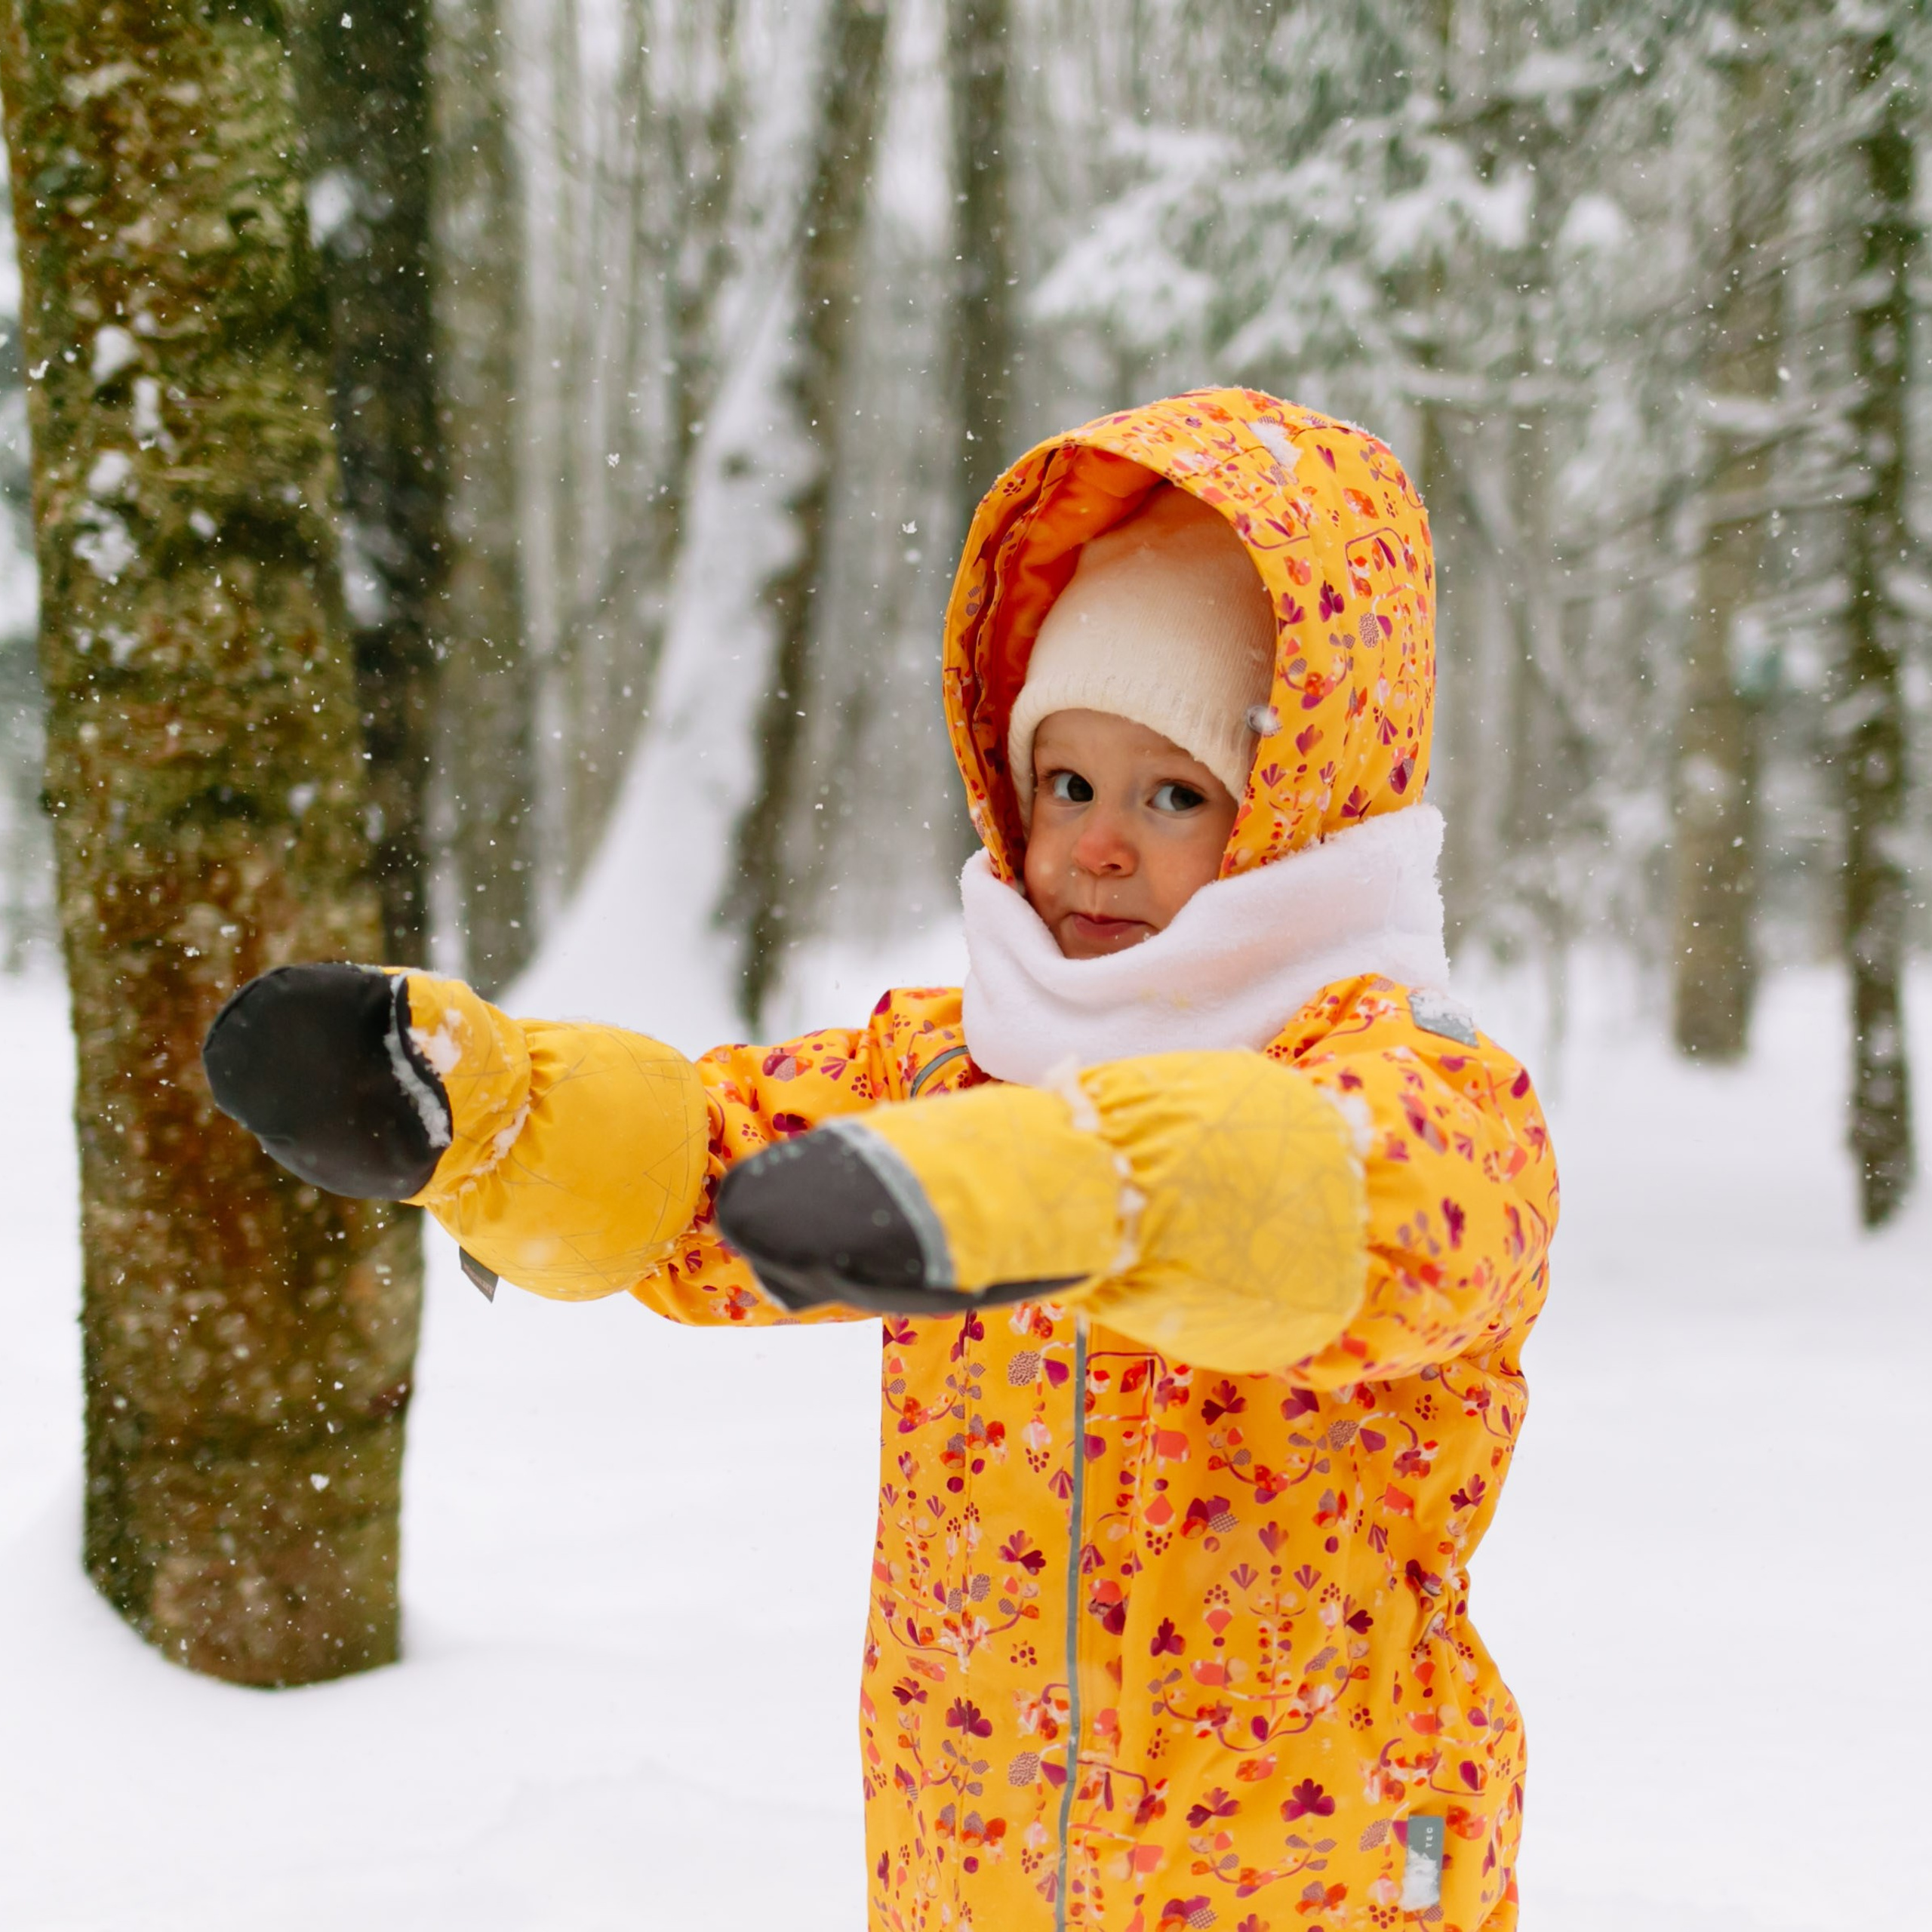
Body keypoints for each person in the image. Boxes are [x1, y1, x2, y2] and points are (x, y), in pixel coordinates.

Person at [204, 389, 1556, 1932]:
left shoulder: (1414, 1080)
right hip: (969, 1852)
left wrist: (1081, 1186)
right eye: (1068, 784)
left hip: (1305, 1874)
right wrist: (504, 1121)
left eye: (1173, 794)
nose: (1099, 843)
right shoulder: (964, 1061)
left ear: (1294, 813)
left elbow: (1369, 1208)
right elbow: (715, 1162)